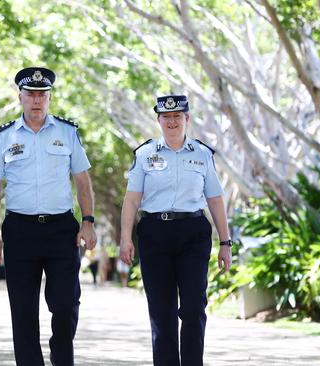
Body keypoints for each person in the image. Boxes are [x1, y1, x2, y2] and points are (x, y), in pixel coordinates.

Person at [0, 66, 97, 366]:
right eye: (30, 94)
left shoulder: (67, 133)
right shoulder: (4, 137)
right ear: (20, 97)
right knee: (23, 310)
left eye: (42, 95)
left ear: (49, 98)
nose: (36, 100)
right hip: (20, 231)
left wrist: (88, 221)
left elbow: (82, 181)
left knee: (66, 304)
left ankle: (62, 358)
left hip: (61, 230)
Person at [119, 94, 232, 366]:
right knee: (162, 312)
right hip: (154, 234)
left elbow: (215, 200)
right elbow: (132, 199)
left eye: (177, 116)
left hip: (193, 233)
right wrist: (125, 238)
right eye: (166, 117)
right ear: (158, 119)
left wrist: (226, 243)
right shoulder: (145, 154)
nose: (172, 122)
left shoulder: (202, 154)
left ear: (187, 119)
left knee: (193, 309)